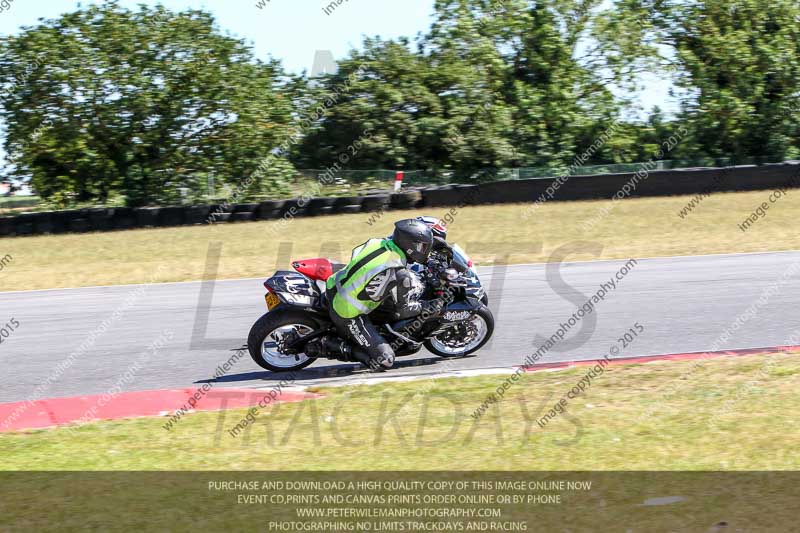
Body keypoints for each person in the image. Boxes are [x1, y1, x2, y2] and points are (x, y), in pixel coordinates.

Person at [324, 219, 442, 371]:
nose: (424, 250)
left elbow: (356, 253)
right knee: (384, 360)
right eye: (422, 246)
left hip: (334, 285)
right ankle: (331, 345)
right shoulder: (399, 273)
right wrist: (428, 306)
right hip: (347, 311)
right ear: (409, 245)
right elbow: (403, 310)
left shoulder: (377, 242)